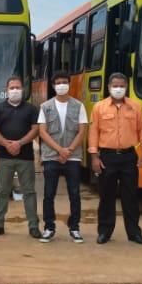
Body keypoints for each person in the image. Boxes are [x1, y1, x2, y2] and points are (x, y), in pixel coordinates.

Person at [88, 73, 142, 244]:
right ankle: (104, 232)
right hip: (107, 157)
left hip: (129, 156)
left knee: (130, 196)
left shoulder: (135, 107)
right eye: (115, 85)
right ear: (109, 87)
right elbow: (93, 133)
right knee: (106, 196)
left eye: (122, 86)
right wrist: (94, 157)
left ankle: (134, 233)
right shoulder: (99, 107)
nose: (118, 89)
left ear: (126, 87)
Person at [0, 77, 41, 238]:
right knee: (2, 191)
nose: (15, 90)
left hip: (25, 158)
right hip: (4, 157)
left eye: (18, 87)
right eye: (12, 88)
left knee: (29, 192)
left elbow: (36, 129)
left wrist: (20, 143)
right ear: (6, 90)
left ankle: (33, 226)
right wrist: (6, 144)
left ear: (22, 90)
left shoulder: (31, 109)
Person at [37, 72, 88, 243]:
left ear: (69, 84)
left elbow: (82, 131)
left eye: (64, 82)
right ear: (53, 85)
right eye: (58, 82)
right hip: (51, 156)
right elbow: (42, 132)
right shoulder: (45, 106)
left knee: (74, 193)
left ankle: (74, 227)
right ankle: (49, 227)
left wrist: (69, 150)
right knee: (49, 194)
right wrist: (60, 150)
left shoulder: (79, 106)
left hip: (73, 158)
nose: (61, 85)